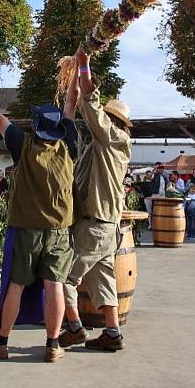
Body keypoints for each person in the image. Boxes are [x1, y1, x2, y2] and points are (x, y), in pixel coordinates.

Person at [0, 59, 77, 363]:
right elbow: (72, 103)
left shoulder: (23, 143)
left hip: (26, 228)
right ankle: (52, 345)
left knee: (16, 285)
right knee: (55, 285)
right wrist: (78, 71)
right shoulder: (69, 145)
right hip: (59, 229)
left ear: (35, 126)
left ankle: (3, 342)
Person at [58, 48, 131, 353]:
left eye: (106, 119)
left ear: (115, 123)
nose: (98, 122)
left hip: (94, 226)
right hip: (108, 229)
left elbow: (93, 105)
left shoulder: (112, 138)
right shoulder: (107, 146)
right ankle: (112, 334)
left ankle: (74, 328)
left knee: (62, 277)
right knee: (104, 281)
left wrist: (84, 69)